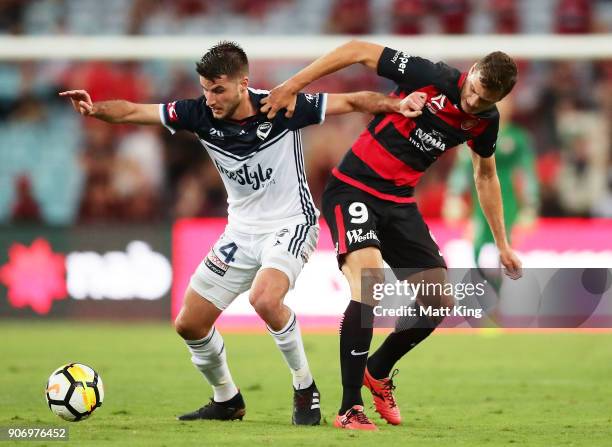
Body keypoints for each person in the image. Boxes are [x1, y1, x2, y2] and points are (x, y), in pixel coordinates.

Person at [60, 41, 421, 426]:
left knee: (264, 299)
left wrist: (396, 104)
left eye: (218, 89)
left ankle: (304, 386)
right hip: (240, 232)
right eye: (205, 89)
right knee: (189, 324)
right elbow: (133, 111)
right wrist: (94, 109)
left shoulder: (280, 105)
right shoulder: (197, 113)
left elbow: (351, 102)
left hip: (291, 222)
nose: (210, 98)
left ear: (242, 83)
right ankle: (226, 399)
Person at [262, 40, 523, 430]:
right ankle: (350, 406)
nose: (472, 102)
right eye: (471, 90)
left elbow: (485, 175)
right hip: (354, 187)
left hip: (398, 202)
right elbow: (355, 50)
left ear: (498, 98)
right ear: (471, 72)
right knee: (369, 284)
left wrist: (502, 243)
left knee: (438, 300)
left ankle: (379, 368)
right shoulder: (431, 76)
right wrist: (294, 84)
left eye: (483, 99)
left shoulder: (486, 121)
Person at [444, 95, 539, 268]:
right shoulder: (473, 132)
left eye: (505, 101)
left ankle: (501, 289)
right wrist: (454, 196)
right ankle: (478, 287)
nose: (501, 105)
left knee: (506, 243)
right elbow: (462, 167)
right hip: (480, 195)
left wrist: (530, 205)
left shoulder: (518, 138)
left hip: (508, 197)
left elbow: (527, 172)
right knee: (477, 241)